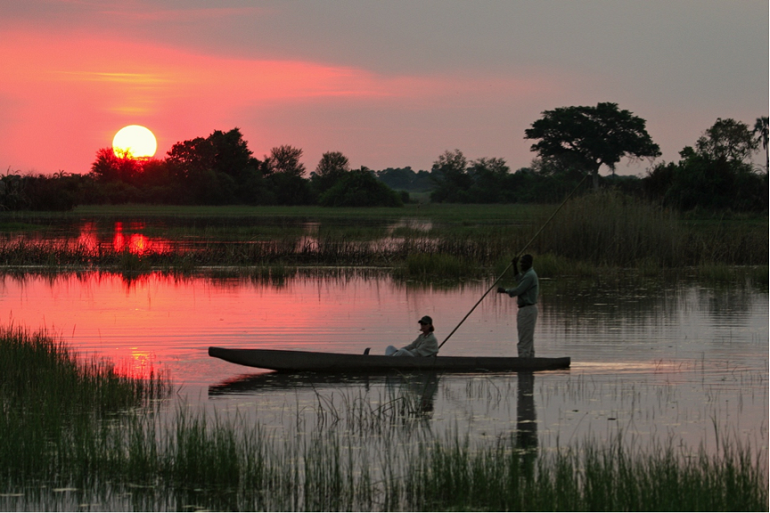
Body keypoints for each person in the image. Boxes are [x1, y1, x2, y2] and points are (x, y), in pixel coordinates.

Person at [497, 254, 539, 357]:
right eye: (520, 263)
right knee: (527, 340)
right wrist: (514, 265)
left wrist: (504, 291)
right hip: (527, 310)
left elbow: (518, 290)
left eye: (523, 263)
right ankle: (529, 365)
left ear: (529, 263)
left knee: (524, 341)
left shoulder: (530, 275)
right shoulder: (527, 274)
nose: (521, 265)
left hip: (527, 310)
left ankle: (523, 366)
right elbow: (518, 279)